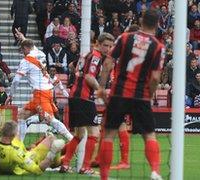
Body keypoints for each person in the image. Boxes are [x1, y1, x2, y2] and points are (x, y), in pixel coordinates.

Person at [99, 9, 165, 180]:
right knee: (149, 134)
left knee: (109, 135)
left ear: (141, 21)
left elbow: (107, 64)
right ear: (158, 24)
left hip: (118, 93)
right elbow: (156, 77)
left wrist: (101, 87)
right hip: (141, 96)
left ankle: (104, 176)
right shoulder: (158, 46)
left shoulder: (125, 37)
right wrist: (149, 94)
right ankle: (155, 171)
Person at [59, 33, 115, 174]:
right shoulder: (96, 57)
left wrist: (79, 76)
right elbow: (90, 77)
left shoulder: (86, 54)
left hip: (74, 96)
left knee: (79, 134)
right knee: (94, 133)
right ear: (98, 44)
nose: (107, 49)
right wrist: (100, 90)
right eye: (105, 45)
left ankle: (65, 164)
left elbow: (72, 66)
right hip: (84, 97)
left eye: (110, 46)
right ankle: (85, 167)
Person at [5, 29, 73, 142]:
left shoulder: (26, 60)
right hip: (46, 91)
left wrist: (10, 95)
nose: (22, 52)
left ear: (25, 48)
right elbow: (29, 44)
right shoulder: (39, 53)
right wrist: (22, 37)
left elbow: (16, 80)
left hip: (41, 93)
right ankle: (19, 146)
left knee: (51, 120)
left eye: (22, 50)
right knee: (21, 116)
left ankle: (72, 141)